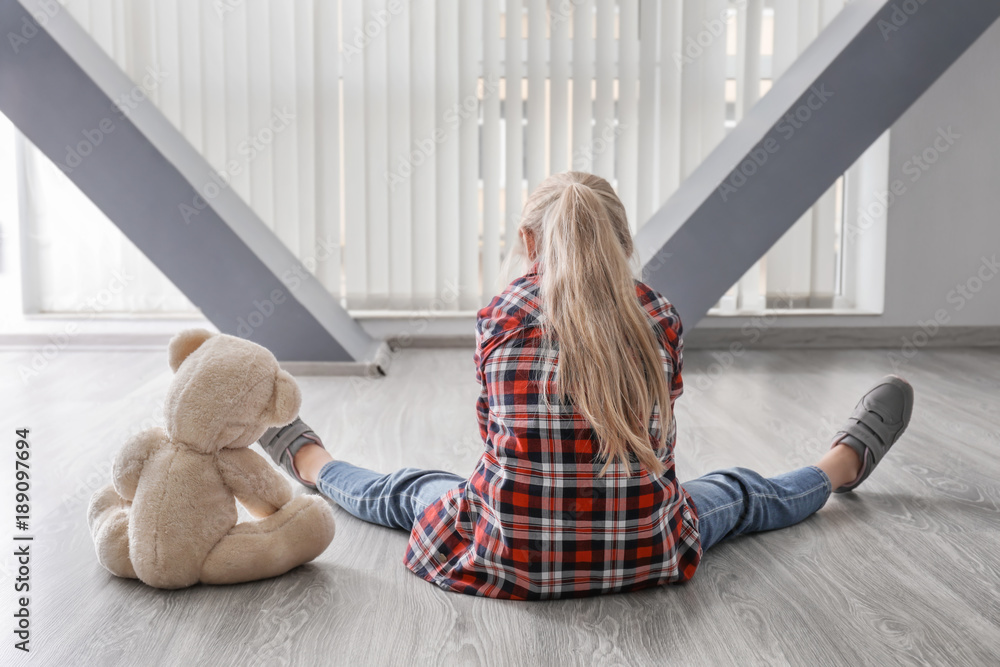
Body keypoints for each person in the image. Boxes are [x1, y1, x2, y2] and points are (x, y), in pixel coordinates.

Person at [259, 171, 914, 600]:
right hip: (645, 550)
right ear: (621, 243)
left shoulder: (499, 315)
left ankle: (310, 460)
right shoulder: (657, 313)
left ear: (525, 240)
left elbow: (494, 431)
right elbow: (662, 421)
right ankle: (841, 465)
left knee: (409, 489)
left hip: (503, 552)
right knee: (740, 493)